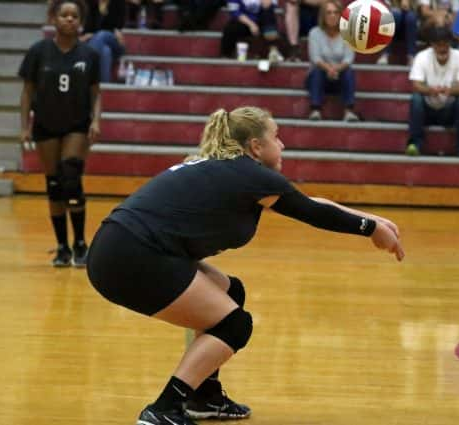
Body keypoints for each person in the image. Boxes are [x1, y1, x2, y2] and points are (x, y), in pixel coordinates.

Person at [85, 106, 404, 425]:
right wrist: (371, 231)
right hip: (131, 257)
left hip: (120, 248)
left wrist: (373, 220)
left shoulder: (233, 171)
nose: (282, 145)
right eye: (276, 137)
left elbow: (306, 203)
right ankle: (163, 409)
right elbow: (312, 213)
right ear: (255, 146)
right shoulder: (249, 175)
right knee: (235, 324)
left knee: (230, 293)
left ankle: (204, 396)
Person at [20, 0, 101, 267]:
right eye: (64, 15)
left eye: (74, 16)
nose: (69, 19)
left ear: (80, 21)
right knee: (54, 185)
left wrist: (96, 120)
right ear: (53, 18)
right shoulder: (38, 51)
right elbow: (28, 92)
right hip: (45, 125)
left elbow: (95, 93)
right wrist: (24, 126)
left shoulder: (89, 54)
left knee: (71, 176)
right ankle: (62, 247)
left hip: (76, 124)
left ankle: (80, 243)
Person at [407, 26, 459, 157]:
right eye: (439, 45)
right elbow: (415, 86)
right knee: (416, 99)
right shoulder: (422, 57)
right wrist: (429, 90)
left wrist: (449, 91)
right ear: (432, 45)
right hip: (427, 110)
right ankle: (415, 144)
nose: (443, 49)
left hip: (449, 111)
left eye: (446, 45)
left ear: (450, 44)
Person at [306, 0, 359, 121]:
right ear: (323, 16)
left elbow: (348, 59)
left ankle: (349, 111)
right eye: (328, 13)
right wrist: (329, 68)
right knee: (317, 71)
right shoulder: (314, 33)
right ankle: (315, 110)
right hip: (319, 77)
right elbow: (315, 58)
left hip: (339, 76)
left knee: (349, 72)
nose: (332, 16)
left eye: (336, 12)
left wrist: (335, 69)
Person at [220, 0, 285, 62]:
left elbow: (270, 5)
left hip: (262, 20)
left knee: (268, 15)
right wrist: (251, 24)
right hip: (244, 21)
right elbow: (235, 12)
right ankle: (226, 55)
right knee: (231, 28)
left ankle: (273, 50)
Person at [81, 0, 126, 83]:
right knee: (105, 51)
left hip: (115, 42)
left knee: (102, 34)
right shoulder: (92, 5)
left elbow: (119, 27)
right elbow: (87, 31)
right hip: (98, 45)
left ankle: (86, 69)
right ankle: (105, 89)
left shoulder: (118, 2)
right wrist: (89, 36)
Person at [376, 0, 419, 66]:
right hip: (392, 25)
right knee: (393, 14)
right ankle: (385, 54)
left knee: (411, 17)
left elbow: (419, 9)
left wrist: (409, 5)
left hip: (409, 26)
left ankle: (411, 56)